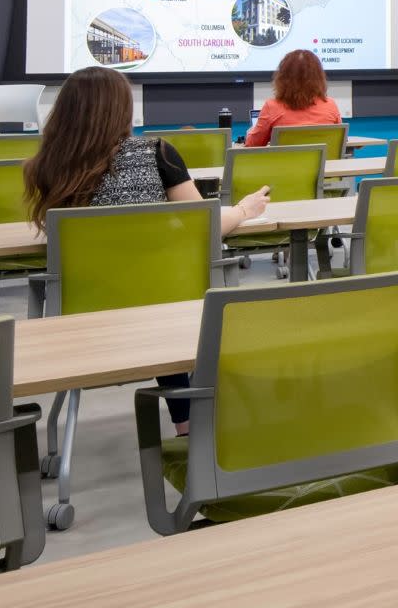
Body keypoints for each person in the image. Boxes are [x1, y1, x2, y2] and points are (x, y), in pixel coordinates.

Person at [24, 66, 270, 435]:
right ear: (121, 110)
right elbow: (202, 224)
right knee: (156, 284)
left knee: (140, 282)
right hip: (160, 307)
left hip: (84, 311)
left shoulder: (46, 166)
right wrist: (244, 210)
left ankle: (185, 420)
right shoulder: (156, 153)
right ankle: (188, 424)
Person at [244, 49, 342, 146]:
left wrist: (252, 132)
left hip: (284, 157)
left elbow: (252, 145)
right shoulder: (330, 105)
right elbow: (340, 141)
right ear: (319, 76)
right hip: (322, 157)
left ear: (282, 77)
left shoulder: (272, 107)